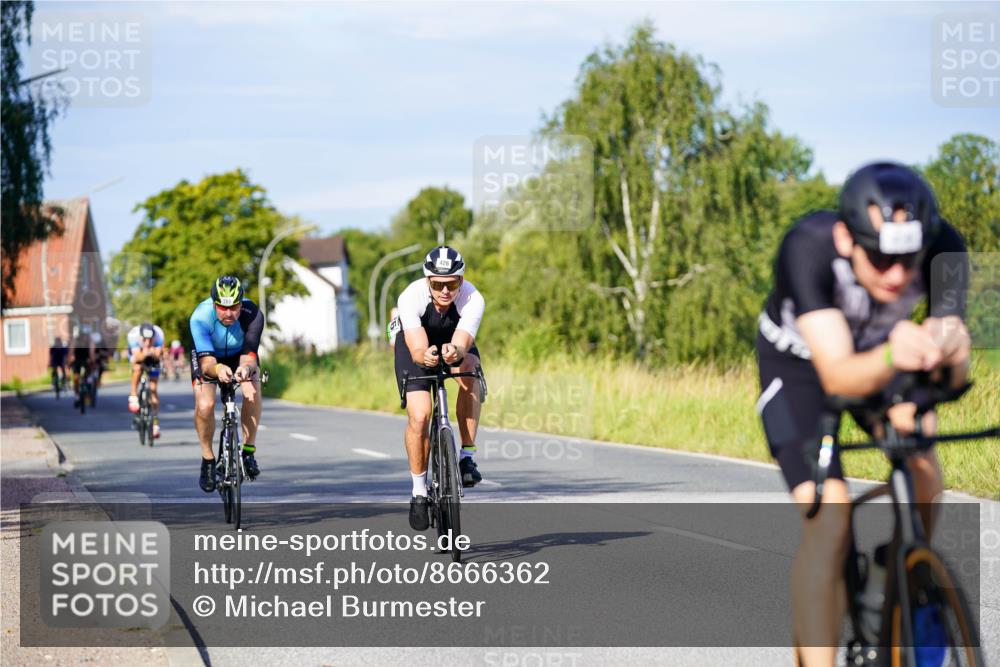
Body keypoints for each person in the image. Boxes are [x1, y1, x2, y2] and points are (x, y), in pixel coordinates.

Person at [755, 161, 970, 666]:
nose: (896, 274)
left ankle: (899, 581)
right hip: (802, 369)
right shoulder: (807, 247)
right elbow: (838, 377)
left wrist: (950, 362)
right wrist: (898, 354)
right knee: (829, 518)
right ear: (845, 239)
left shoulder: (946, 248)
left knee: (922, 464)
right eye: (879, 258)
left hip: (881, 354)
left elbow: (949, 371)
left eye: (908, 259)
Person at [392, 246, 485, 531]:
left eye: (452, 284)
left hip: (453, 341)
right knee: (420, 414)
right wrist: (426, 356)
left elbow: (463, 341)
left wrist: (455, 351)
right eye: (437, 284)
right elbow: (417, 349)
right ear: (427, 281)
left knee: (470, 372)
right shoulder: (411, 296)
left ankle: (467, 458)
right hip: (416, 345)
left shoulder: (473, 298)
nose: (445, 291)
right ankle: (419, 490)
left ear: (461, 280)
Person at [189, 275, 264, 492]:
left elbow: (249, 356)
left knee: (251, 390)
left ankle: (248, 452)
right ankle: (208, 460)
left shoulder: (252, 314)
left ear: (241, 304)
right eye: (222, 307)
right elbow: (207, 364)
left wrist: (246, 369)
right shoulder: (200, 317)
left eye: (234, 307)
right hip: (209, 358)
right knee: (205, 405)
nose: (229, 313)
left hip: (240, 356)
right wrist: (218, 369)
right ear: (214, 304)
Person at [126, 322, 165, 438]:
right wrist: (148, 352)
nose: (147, 342)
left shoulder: (159, 334)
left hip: (152, 358)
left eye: (150, 339)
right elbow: (137, 356)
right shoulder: (133, 335)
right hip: (137, 354)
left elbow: (157, 355)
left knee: (153, 389)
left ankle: (155, 422)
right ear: (140, 337)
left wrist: (151, 353)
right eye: (145, 339)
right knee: (137, 367)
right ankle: (133, 394)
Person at [69, 332, 93, 408]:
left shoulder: (87, 342)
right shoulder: (78, 342)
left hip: (83, 361)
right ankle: (79, 396)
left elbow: (91, 353)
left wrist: (70, 362)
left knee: (81, 377)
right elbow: (71, 353)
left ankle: (81, 394)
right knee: (77, 378)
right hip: (80, 362)